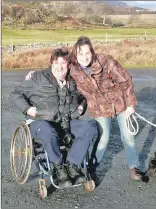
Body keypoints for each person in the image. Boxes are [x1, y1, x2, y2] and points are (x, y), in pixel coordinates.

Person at [25, 37, 145, 182]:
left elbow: (125, 81)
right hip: (99, 106)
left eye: (87, 53)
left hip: (120, 102)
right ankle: (92, 168)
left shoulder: (106, 62)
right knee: (103, 138)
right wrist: (35, 74)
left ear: (92, 52)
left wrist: (131, 104)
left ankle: (134, 167)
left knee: (128, 137)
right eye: (80, 53)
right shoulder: (73, 69)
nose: (84, 57)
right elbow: (57, 68)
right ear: (76, 54)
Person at [9, 47, 98, 186]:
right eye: (56, 62)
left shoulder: (74, 81)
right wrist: (28, 109)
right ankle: (58, 167)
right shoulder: (37, 78)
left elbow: (85, 96)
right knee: (47, 131)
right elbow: (15, 94)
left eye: (63, 63)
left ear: (69, 65)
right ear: (51, 63)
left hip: (66, 122)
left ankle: (72, 165)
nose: (59, 66)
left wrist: (82, 106)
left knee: (89, 128)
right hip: (40, 121)